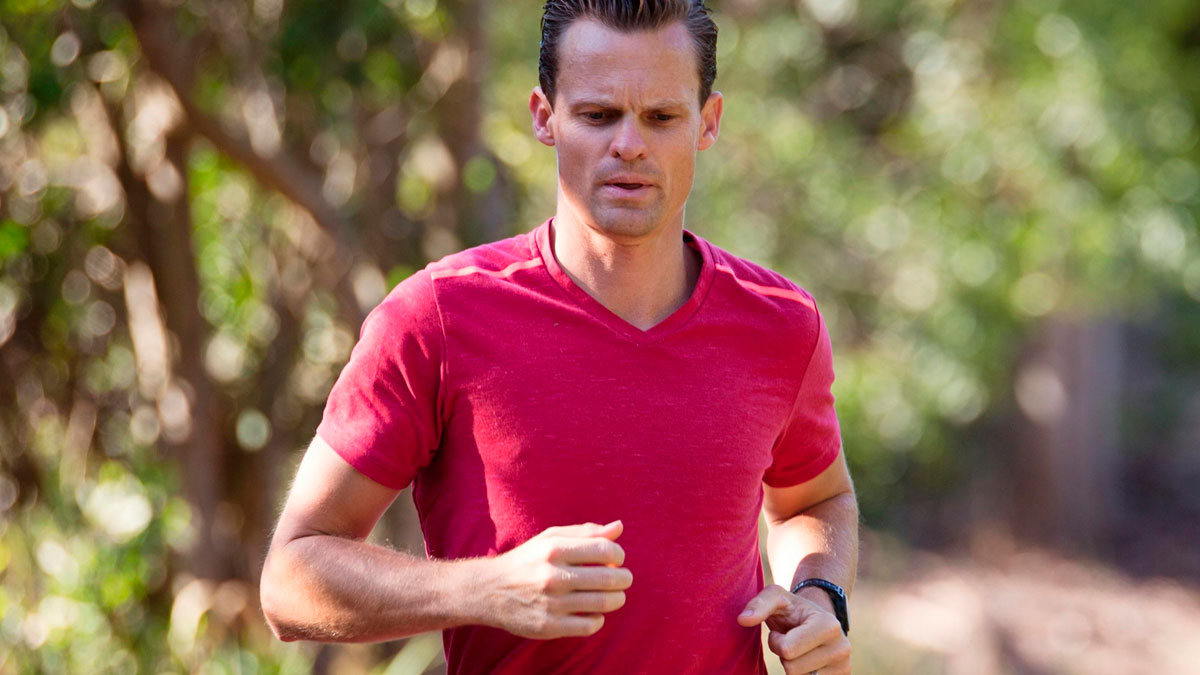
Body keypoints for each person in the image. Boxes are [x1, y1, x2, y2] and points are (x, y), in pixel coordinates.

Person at [260, 1, 858, 673]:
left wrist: (819, 590)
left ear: (707, 122)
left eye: (661, 117)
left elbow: (815, 496)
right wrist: (484, 589)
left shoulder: (780, 323)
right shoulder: (440, 317)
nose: (629, 144)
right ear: (544, 117)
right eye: (598, 115)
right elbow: (290, 578)